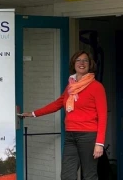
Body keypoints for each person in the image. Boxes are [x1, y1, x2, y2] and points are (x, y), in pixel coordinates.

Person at [19, 50, 107, 180]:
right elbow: (57, 104)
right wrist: (33, 113)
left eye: (85, 61)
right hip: (70, 135)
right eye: (78, 60)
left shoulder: (96, 87)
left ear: (90, 65)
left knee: (89, 175)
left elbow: (103, 116)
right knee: (67, 175)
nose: (82, 63)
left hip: (88, 136)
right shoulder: (70, 87)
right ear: (74, 63)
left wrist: (99, 143)